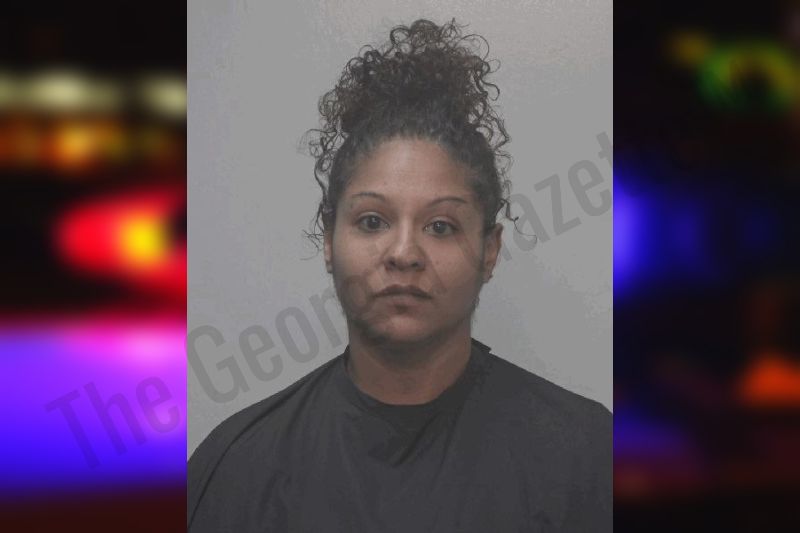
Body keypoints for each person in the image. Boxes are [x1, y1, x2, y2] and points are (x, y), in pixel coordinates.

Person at [188, 19, 611, 532]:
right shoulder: (236, 468)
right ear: (329, 240)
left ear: (489, 251)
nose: (404, 253)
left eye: (441, 225)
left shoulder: (589, 460)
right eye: (372, 221)